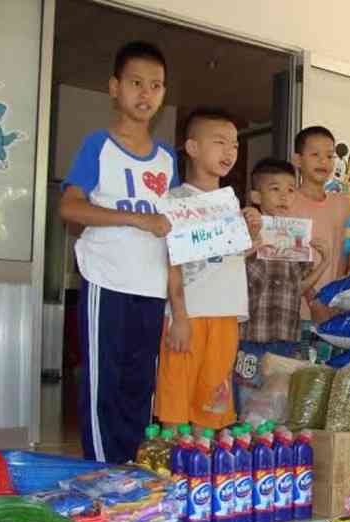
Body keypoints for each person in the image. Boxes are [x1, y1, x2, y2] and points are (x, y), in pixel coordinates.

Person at [59, 41, 177, 463]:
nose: (146, 94)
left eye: (157, 86)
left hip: (151, 287)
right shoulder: (98, 145)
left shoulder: (167, 159)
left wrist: (178, 309)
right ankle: (100, 473)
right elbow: (69, 207)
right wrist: (135, 219)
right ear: (114, 87)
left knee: (139, 385)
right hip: (105, 280)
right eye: (136, 83)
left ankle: (131, 470)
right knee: (101, 384)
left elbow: (175, 229)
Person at [154, 109, 261, 432]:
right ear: (192, 147)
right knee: (175, 403)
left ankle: (202, 473)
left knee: (212, 406)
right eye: (219, 142)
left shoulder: (230, 203)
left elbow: (231, 257)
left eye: (234, 145)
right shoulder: (174, 200)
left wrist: (252, 234)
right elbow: (172, 260)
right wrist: (180, 316)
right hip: (189, 315)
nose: (229, 151)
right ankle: (173, 474)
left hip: (226, 314)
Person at [234, 158, 330, 414]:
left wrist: (324, 262)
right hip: (250, 338)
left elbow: (297, 289)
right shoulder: (242, 230)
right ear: (256, 195)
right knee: (246, 403)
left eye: (290, 190)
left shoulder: (297, 238)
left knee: (278, 406)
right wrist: (248, 242)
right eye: (275, 189)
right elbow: (227, 277)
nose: (284, 196)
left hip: (287, 337)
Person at [290, 126, 350, 322]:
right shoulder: (288, 201)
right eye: (315, 154)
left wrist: (336, 297)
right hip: (296, 308)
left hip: (334, 306)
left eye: (329, 156)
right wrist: (314, 301)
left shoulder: (343, 202)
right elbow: (291, 259)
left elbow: (343, 255)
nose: (323, 161)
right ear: (297, 160)